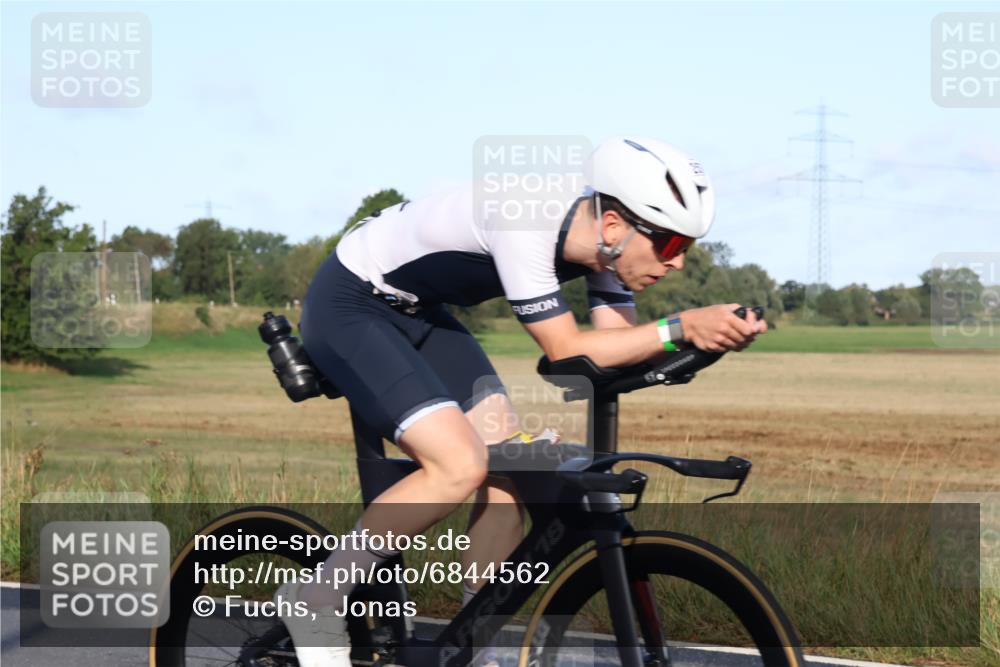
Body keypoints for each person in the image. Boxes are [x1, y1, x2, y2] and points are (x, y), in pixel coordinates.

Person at [274, 136, 767, 667]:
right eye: (671, 244)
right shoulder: (528, 224)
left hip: (421, 313)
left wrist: (703, 340)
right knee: (458, 465)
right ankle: (316, 598)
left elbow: (617, 348)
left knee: (509, 466)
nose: (678, 263)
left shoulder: (605, 249)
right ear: (613, 226)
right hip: (350, 304)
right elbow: (566, 349)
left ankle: (467, 647)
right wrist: (682, 326)